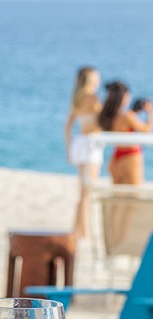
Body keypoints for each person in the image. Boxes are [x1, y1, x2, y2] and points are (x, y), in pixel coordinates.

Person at [64, 66, 103, 238]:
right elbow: (101, 122)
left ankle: (77, 227)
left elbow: (68, 127)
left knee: (82, 190)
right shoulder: (93, 99)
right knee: (88, 190)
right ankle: (84, 231)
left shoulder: (77, 98)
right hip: (91, 144)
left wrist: (69, 150)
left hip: (79, 143)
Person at [99, 80, 152, 185]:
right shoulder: (127, 116)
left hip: (116, 156)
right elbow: (146, 130)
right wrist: (150, 112)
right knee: (134, 193)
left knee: (117, 193)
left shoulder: (109, 116)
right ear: (123, 96)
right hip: (131, 155)